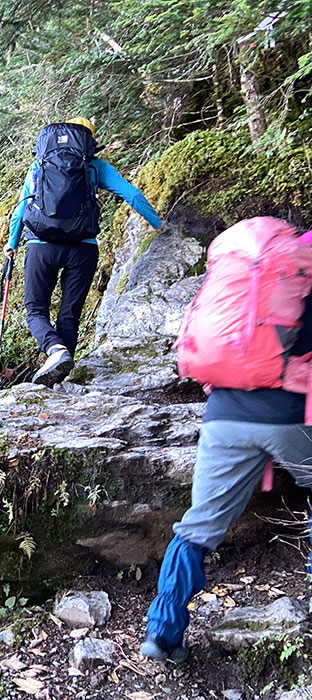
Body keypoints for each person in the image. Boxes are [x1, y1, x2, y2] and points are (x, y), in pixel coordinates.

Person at [141, 223, 312, 663]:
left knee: (196, 529)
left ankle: (162, 632)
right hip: (288, 414)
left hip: (223, 417)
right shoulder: (301, 282)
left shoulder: (240, 281)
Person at [6, 118, 163, 387]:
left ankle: (55, 351)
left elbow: (21, 210)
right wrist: (160, 225)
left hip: (41, 245)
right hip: (83, 248)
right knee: (69, 313)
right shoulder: (95, 166)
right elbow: (132, 195)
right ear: (89, 142)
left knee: (35, 311)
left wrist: (12, 243)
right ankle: (61, 378)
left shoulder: (39, 165)